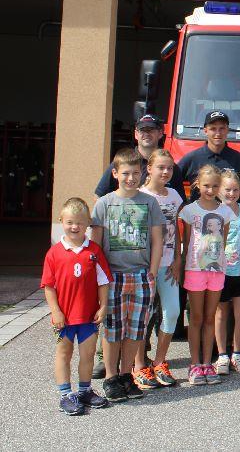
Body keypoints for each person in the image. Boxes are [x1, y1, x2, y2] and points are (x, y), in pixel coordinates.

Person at [90, 149, 164, 402]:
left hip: (141, 275)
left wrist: (152, 271)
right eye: (125, 173)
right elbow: (95, 246)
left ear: (142, 173)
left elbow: (157, 240)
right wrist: (99, 279)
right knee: (113, 329)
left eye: (135, 173)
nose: (131, 178)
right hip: (113, 277)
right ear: (115, 174)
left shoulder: (150, 203)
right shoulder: (104, 203)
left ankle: (126, 375)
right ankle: (111, 377)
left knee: (136, 329)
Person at [43, 197, 112, 415]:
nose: (75, 227)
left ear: (88, 223)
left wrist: (103, 306)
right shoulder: (54, 253)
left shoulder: (94, 251)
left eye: (80, 223)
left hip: (88, 316)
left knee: (88, 354)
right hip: (64, 317)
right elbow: (49, 286)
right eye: (70, 222)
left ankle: (84, 391)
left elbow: (103, 282)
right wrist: (56, 312)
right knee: (64, 353)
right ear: (61, 221)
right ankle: (65, 395)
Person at [177, 165, 232, 385]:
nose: (210, 190)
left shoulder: (225, 211)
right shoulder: (190, 211)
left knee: (210, 318)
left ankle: (208, 363)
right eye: (206, 185)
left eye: (215, 186)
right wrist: (182, 267)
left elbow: (223, 242)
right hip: (194, 269)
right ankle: (194, 364)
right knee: (196, 318)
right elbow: (187, 241)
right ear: (197, 184)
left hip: (216, 271)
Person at [136, 149, 183, 388]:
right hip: (146, 267)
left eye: (170, 168)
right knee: (142, 316)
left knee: (172, 311)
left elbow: (175, 229)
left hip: (168, 265)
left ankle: (159, 361)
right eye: (161, 167)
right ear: (149, 169)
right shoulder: (140, 195)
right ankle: (138, 365)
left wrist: (177, 258)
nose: (165, 172)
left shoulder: (174, 195)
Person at [214, 169, 240, 376]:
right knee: (221, 313)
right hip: (220, 271)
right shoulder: (215, 210)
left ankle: (237, 353)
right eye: (227, 190)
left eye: (235, 190)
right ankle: (222, 354)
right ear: (219, 190)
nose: (231, 194)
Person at [94, 114, 185, 199]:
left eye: (151, 130)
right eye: (142, 130)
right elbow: (99, 196)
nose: (147, 133)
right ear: (136, 134)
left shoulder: (169, 167)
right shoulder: (124, 162)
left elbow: (180, 203)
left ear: (160, 133)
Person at [177, 111, 240, 206]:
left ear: (227, 130)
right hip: (199, 214)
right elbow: (172, 183)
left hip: (231, 214)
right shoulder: (192, 158)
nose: (218, 133)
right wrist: (182, 205)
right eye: (213, 129)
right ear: (205, 131)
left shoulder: (238, 158)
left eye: (222, 128)